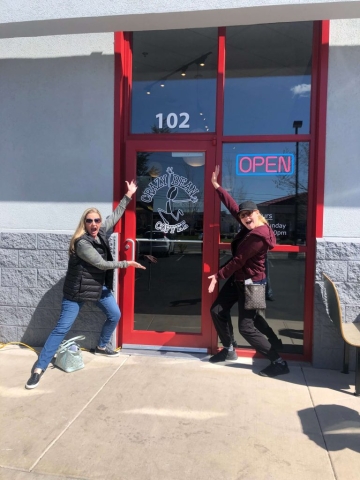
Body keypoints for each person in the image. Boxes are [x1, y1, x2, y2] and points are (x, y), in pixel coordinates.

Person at [25, 180, 146, 389]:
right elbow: (100, 263)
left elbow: (114, 216)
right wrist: (128, 263)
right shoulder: (81, 243)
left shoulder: (100, 232)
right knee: (61, 329)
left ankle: (100, 346)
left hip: (97, 288)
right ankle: (39, 368)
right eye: (90, 221)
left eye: (97, 220)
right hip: (77, 292)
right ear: (84, 223)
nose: (94, 224)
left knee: (114, 315)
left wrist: (128, 195)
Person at [208, 166, 289, 377]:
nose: (245, 217)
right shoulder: (248, 227)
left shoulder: (258, 236)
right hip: (239, 281)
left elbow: (239, 260)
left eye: (249, 214)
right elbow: (234, 207)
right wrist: (217, 186)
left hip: (253, 285)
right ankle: (229, 349)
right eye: (243, 215)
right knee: (217, 311)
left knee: (247, 326)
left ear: (257, 214)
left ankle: (278, 361)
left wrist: (217, 276)